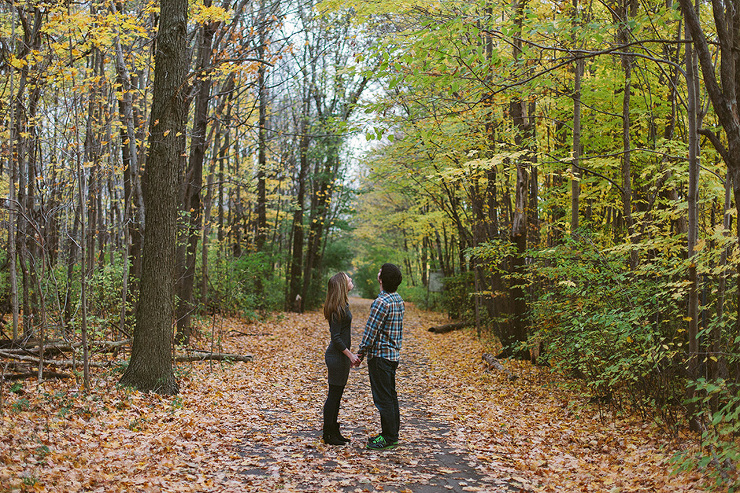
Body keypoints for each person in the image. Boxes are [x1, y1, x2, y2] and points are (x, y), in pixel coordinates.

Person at [357, 263, 405, 450]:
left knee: (383, 398)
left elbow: (370, 333)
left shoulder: (381, 302)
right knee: (390, 396)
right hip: (392, 356)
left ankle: (388, 437)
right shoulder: (397, 299)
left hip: (380, 357)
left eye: (380, 272)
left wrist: (360, 354)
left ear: (382, 279)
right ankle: (391, 435)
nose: (378, 273)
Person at [322, 272, 361, 446]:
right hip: (336, 356)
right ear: (341, 285)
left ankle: (334, 431)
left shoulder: (342, 305)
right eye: (348, 279)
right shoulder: (338, 308)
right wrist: (350, 355)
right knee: (334, 395)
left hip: (340, 356)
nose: (351, 280)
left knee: (337, 395)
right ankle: (328, 433)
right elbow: (335, 338)